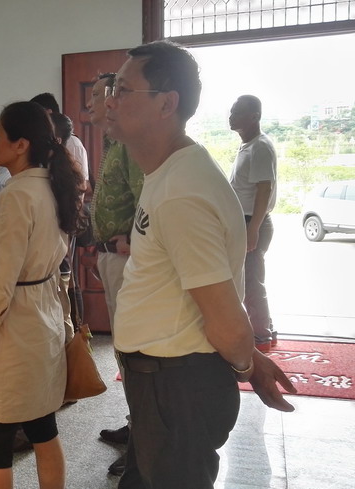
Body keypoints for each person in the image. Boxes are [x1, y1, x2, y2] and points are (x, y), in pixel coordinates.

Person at [105, 40, 296, 488]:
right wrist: (248, 357)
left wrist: (246, 364)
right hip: (163, 383)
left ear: (166, 104)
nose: (111, 101)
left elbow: (225, 318)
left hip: (178, 389)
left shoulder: (182, 190)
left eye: (123, 89)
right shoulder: (168, 172)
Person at [0, 101, 85, 489]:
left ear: (21, 145)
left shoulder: (17, 194)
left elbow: (1, 278)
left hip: (16, 326)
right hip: (45, 316)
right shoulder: (50, 185)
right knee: (42, 426)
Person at [86, 72, 144, 475]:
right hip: (110, 256)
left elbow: (146, 200)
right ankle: (134, 423)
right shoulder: (110, 143)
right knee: (123, 350)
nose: (91, 104)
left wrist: (131, 242)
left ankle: (143, 440)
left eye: (96, 95)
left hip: (127, 260)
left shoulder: (128, 145)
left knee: (133, 351)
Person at [228, 95, 278, 352]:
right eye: (231, 111)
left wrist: (253, 229)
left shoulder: (260, 147)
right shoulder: (248, 145)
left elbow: (264, 189)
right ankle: (265, 329)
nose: (231, 116)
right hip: (245, 221)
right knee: (250, 280)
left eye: (237, 112)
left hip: (252, 221)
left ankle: (261, 337)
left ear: (254, 117)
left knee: (251, 283)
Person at [30, 92, 90, 182]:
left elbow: (81, 184)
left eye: (34, 115)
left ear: (48, 113)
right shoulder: (38, 140)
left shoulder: (72, 142)